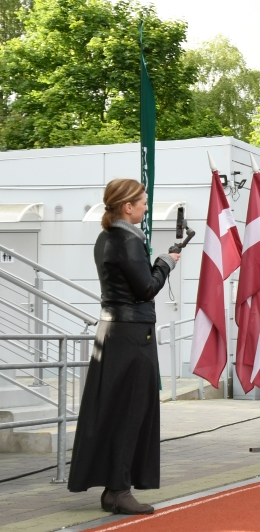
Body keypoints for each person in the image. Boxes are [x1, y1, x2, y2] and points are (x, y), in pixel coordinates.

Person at [68, 179, 180, 514]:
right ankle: (119, 490)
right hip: (132, 335)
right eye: (143, 202)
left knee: (112, 410)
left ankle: (113, 488)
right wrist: (166, 263)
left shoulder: (105, 239)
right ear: (126, 206)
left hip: (113, 331)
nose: (146, 206)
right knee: (133, 411)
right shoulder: (128, 242)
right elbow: (146, 289)